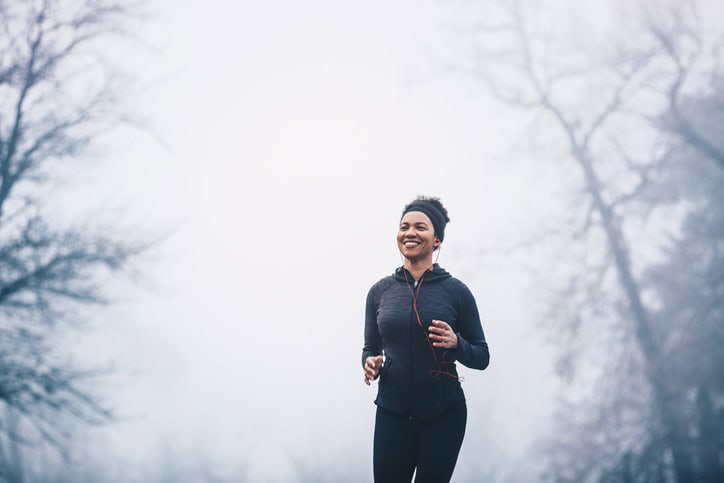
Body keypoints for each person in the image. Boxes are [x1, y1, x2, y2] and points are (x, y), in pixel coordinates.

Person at [362, 195, 490, 483]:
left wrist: (457, 344)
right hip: (392, 413)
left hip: (443, 415)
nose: (410, 233)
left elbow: (482, 356)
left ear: (437, 240)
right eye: (404, 226)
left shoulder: (456, 292)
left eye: (420, 227)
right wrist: (370, 363)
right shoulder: (379, 292)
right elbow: (370, 348)